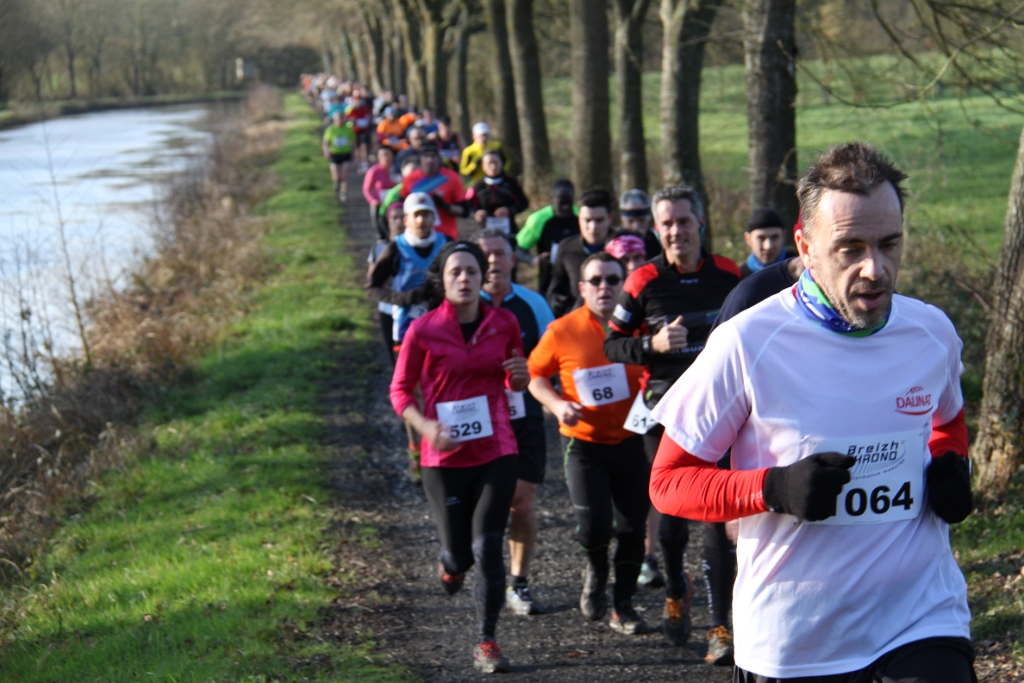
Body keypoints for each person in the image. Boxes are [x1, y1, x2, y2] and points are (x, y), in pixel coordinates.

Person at [650, 142, 976, 682]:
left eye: (889, 244)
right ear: (805, 247)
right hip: (796, 638)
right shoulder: (746, 342)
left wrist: (949, 463)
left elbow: (948, 421)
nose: (875, 269)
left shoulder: (931, 332)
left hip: (921, 616)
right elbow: (668, 483)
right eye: (850, 248)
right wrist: (772, 488)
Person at [603, 185, 740, 648]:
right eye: (667, 223)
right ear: (656, 229)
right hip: (662, 412)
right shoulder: (642, 280)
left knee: (718, 513)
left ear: (700, 222)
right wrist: (652, 345)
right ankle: (676, 590)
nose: (676, 231)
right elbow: (611, 344)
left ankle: (719, 625)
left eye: (683, 221)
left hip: (719, 410)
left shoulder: (728, 274)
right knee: (674, 515)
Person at [390, 240, 529, 674]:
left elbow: (515, 380)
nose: (465, 279)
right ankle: (449, 566)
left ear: (483, 277)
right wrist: (426, 427)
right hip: (443, 456)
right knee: (459, 556)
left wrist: (520, 377)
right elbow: (399, 391)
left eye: (472, 271)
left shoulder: (504, 322)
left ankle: (487, 641)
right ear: (443, 280)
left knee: (487, 544)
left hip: (495, 447)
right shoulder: (423, 330)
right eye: (456, 272)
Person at [528, 252, 649, 635]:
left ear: (623, 285)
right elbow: (534, 374)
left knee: (632, 529)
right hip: (584, 445)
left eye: (612, 280)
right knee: (595, 527)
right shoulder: (562, 330)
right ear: (582, 288)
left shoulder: (639, 327)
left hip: (633, 442)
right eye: (595, 281)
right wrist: (556, 404)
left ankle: (623, 605)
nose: (604, 287)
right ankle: (596, 570)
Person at [473, 229, 555, 617]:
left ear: (512, 260)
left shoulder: (533, 304)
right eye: (485, 255)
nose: (493, 261)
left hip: (524, 415)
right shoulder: (462, 304)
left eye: (499, 254)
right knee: (483, 505)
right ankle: (479, 573)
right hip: (476, 418)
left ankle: (518, 583)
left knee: (521, 503)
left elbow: (554, 356)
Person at [367, 193, 451, 480]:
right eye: (416, 215)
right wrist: (403, 298)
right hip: (405, 331)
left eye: (426, 214)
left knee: (442, 388)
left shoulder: (446, 245)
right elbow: (372, 288)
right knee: (412, 392)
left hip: (444, 330)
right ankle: (416, 454)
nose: (422, 220)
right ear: (406, 220)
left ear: (433, 217)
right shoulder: (395, 248)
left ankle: (444, 448)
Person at [546, 188, 613, 318]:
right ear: (579, 219)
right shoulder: (566, 248)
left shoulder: (623, 248)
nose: (593, 227)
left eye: (599, 220)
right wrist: (555, 301)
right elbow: (554, 288)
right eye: (587, 220)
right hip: (577, 320)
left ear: (610, 218)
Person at [515, 179, 579, 296]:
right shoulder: (539, 220)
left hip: (577, 280)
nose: (566, 207)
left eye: (569, 203)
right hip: (549, 282)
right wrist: (533, 260)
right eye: (562, 203)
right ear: (553, 199)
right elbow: (519, 249)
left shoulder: (582, 217)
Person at [401, 142, 467, 241]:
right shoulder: (410, 179)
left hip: (446, 237)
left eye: (433, 156)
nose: (430, 160)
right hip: (416, 237)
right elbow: (401, 206)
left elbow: (465, 211)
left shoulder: (452, 178)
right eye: (426, 156)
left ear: (439, 158)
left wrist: (445, 206)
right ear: (420, 158)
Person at [367, 202, 407, 364]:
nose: (398, 222)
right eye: (394, 218)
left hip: (412, 310)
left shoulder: (418, 247)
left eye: (402, 217)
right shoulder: (378, 248)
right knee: (395, 360)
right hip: (387, 309)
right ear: (387, 221)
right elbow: (371, 280)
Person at [467, 149, 530, 236]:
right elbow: (467, 206)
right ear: (483, 166)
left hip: (508, 233)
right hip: (484, 234)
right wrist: (476, 213)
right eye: (489, 163)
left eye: (496, 162)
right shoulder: (477, 186)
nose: (493, 166)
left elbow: (524, 203)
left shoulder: (511, 183)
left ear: (502, 163)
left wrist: (509, 209)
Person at [741, 207, 796, 278]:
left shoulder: (802, 268)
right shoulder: (738, 278)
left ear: (783, 236)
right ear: (748, 239)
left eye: (774, 237)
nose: (768, 246)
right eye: (761, 238)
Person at [322, 110, 356, 202]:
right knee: (336, 175)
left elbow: (353, 141)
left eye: (341, 119)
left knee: (344, 175)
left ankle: (343, 192)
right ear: (334, 120)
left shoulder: (347, 129)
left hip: (345, 154)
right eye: (338, 119)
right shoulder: (330, 129)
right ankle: (336, 182)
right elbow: (326, 142)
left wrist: (354, 152)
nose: (340, 121)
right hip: (334, 154)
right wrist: (326, 151)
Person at [363, 146, 397, 234]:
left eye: (387, 154)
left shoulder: (397, 170)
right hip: (380, 203)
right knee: (380, 223)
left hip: (395, 203)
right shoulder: (374, 171)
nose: (385, 157)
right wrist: (373, 200)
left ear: (392, 156)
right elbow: (366, 189)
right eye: (382, 155)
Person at [619, 189, 661, 258]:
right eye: (630, 221)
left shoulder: (658, 242)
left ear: (649, 219)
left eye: (641, 220)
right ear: (622, 220)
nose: (636, 226)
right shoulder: (615, 243)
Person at [345, 92, 373, 172]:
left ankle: (365, 163)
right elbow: (347, 120)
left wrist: (369, 121)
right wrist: (352, 122)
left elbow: (370, 116)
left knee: (364, 147)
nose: (358, 101)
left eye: (359, 100)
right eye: (356, 100)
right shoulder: (351, 110)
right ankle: (359, 163)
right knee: (357, 148)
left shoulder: (366, 108)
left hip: (365, 131)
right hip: (355, 131)